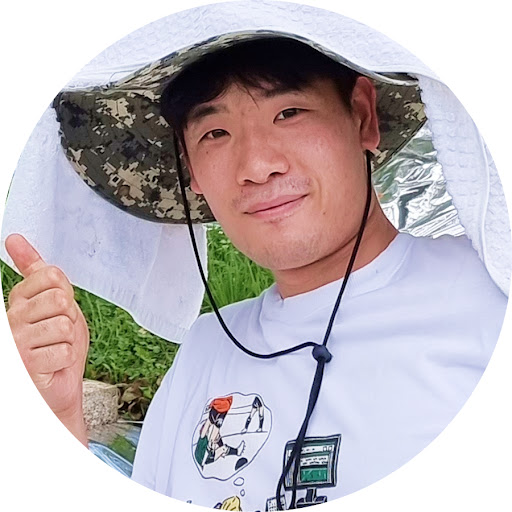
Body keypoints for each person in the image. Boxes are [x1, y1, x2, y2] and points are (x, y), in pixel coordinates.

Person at [3, 9, 508, 512]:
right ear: (190, 168)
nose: (257, 166)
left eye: (289, 113)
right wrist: (57, 418)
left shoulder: (488, 299)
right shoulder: (204, 352)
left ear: (362, 116)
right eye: (214, 134)